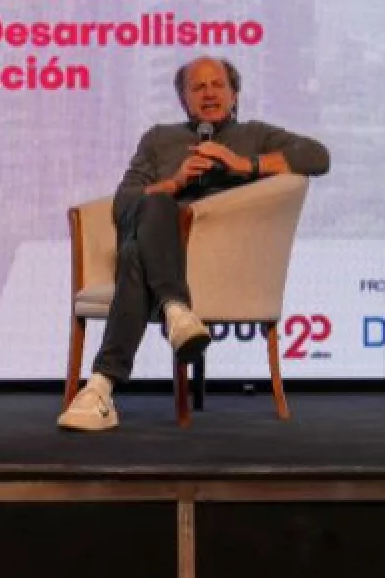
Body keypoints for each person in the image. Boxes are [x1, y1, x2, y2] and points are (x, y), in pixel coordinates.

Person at [57, 55, 330, 431]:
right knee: (155, 207)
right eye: (198, 87)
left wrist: (243, 165)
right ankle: (174, 311)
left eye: (218, 85)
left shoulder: (254, 135)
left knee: (135, 254)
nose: (209, 94)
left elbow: (317, 157)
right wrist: (176, 183)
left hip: (217, 263)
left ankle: (101, 386)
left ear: (235, 94)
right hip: (163, 254)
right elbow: (124, 203)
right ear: (183, 99)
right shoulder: (159, 139)